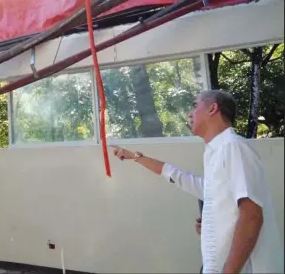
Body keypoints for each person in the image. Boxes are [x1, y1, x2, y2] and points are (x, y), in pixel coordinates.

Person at [112, 89, 284, 274]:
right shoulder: (214, 153)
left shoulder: (233, 147)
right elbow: (181, 178)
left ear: (212, 109)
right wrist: (135, 157)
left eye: (195, 105)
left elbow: (252, 216)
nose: (189, 113)